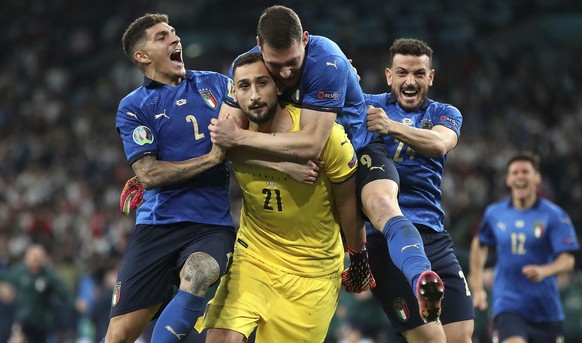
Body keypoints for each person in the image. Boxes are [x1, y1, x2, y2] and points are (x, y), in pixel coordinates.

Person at [208, 5, 443, 322]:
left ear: (305, 40)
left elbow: (312, 143)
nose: (287, 73)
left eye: (293, 63)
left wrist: (240, 138)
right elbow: (223, 138)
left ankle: (421, 278)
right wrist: (275, 163)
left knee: (383, 205)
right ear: (259, 46)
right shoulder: (248, 69)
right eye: (277, 66)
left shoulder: (327, 60)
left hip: (357, 149)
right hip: (302, 167)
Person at [200, 51, 371, 343]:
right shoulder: (233, 134)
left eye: (262, 83)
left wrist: (358, 257)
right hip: (254, 258)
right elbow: (223, 151)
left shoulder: (325, 138)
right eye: (243, 86)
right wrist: (283, 165)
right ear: (234, 95)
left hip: (312, 273)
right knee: (220, 338)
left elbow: (347, 204)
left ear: (278, 86)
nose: (254, 95)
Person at [105, 13, 238, 342]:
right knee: (119, 335)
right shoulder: (135, 105)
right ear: (143, 56)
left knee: (201, 272)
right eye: (162, 37)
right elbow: (148, 174)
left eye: (174, 33)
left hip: (210, 224)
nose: (174, 39)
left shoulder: (216, 85)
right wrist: (212, 158)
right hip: (157, 226)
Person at [364, 38, 474, 342]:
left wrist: (390, 126)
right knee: (432, 340)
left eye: (418, 73)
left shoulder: (444, 113)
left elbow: (439, 144)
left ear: (431, 77)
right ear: (389, 76)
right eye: (402, 73)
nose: (410, 81)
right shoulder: (366, 105)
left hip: (434, 235)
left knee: (462, 335)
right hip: (384, 239)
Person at [469, 151, 579, 343]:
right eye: (515, 172)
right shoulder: (494, 214)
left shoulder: (554, 215)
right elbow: (479, 244)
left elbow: (568, 260)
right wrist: (477, 288)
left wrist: (546, 270)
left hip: (546, 311)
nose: (520, 176)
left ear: (537, 177)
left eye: (525, 172)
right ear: (508, 180)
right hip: (508, 306)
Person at [0, 244, 78, 343]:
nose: (35, 259)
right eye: (33, 256)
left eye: (38, 257)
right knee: (17, 337)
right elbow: (4, 277)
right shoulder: (19, 272)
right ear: (26, 258)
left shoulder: (48, 275)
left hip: (41, 321)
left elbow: (62, 290)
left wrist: (74, 303)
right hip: (23, 318)